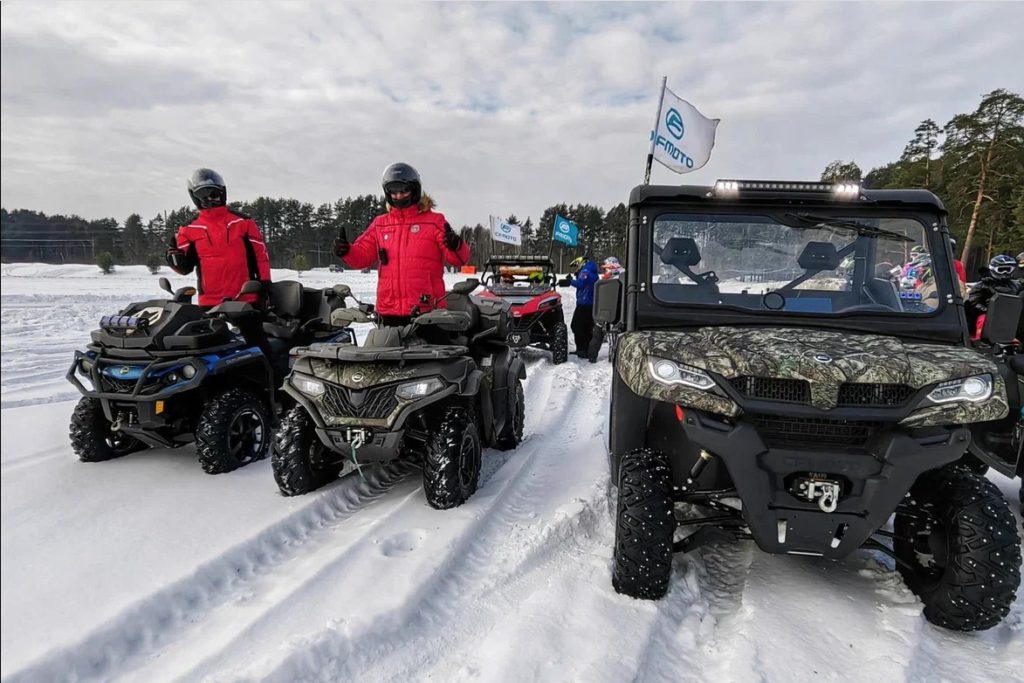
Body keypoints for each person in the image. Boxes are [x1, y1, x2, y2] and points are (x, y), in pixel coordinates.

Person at [333, 163, 470, 325]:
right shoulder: (380, 224)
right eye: (394, 192)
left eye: (403, 191)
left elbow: (460, 260)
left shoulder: (434, 222)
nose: (398, 196)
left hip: (428, 313)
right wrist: (346, 251)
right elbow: (362, 256)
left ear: (414, 190)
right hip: (388, 312)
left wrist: (456, 246)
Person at [166, 168, 271, 309]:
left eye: (214, 194)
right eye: (204, 195)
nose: (210, 199)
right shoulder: (188, 229)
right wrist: (173, 258)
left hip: (246, 298)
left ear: (222, 193)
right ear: (195, 197)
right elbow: (185, 268)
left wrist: (265, 284)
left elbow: (260, 256)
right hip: (209, 302)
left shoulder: (243, 222)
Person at [965, 254, 1023, 337]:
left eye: (1008, 269)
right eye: (1001, 270)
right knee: (982, 320)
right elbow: (973, 302)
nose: (1005, 272)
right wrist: (988, 310)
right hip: (988, 316)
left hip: (1012, 317)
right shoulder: (983, 284)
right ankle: (980, 340)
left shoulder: (1017, 285)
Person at [557, 255, 598, 357]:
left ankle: (582, 349)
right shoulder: (592, 271)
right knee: (587, 327)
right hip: (590, 304)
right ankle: (587, 349)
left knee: (576, 326)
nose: (576, 268)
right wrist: (576, 276)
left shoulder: (586, 272)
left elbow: (581, 284)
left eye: (577, 266)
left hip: (584, 304)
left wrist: (570, 281)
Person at [587, 257, 625, 363]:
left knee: (600, 333)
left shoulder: (620, 278)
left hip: (616, 313)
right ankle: (592, 356)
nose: (604, 271)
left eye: (606, 269)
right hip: (608, 312)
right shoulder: (607, 280)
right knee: (597, 333)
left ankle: (607, 356)